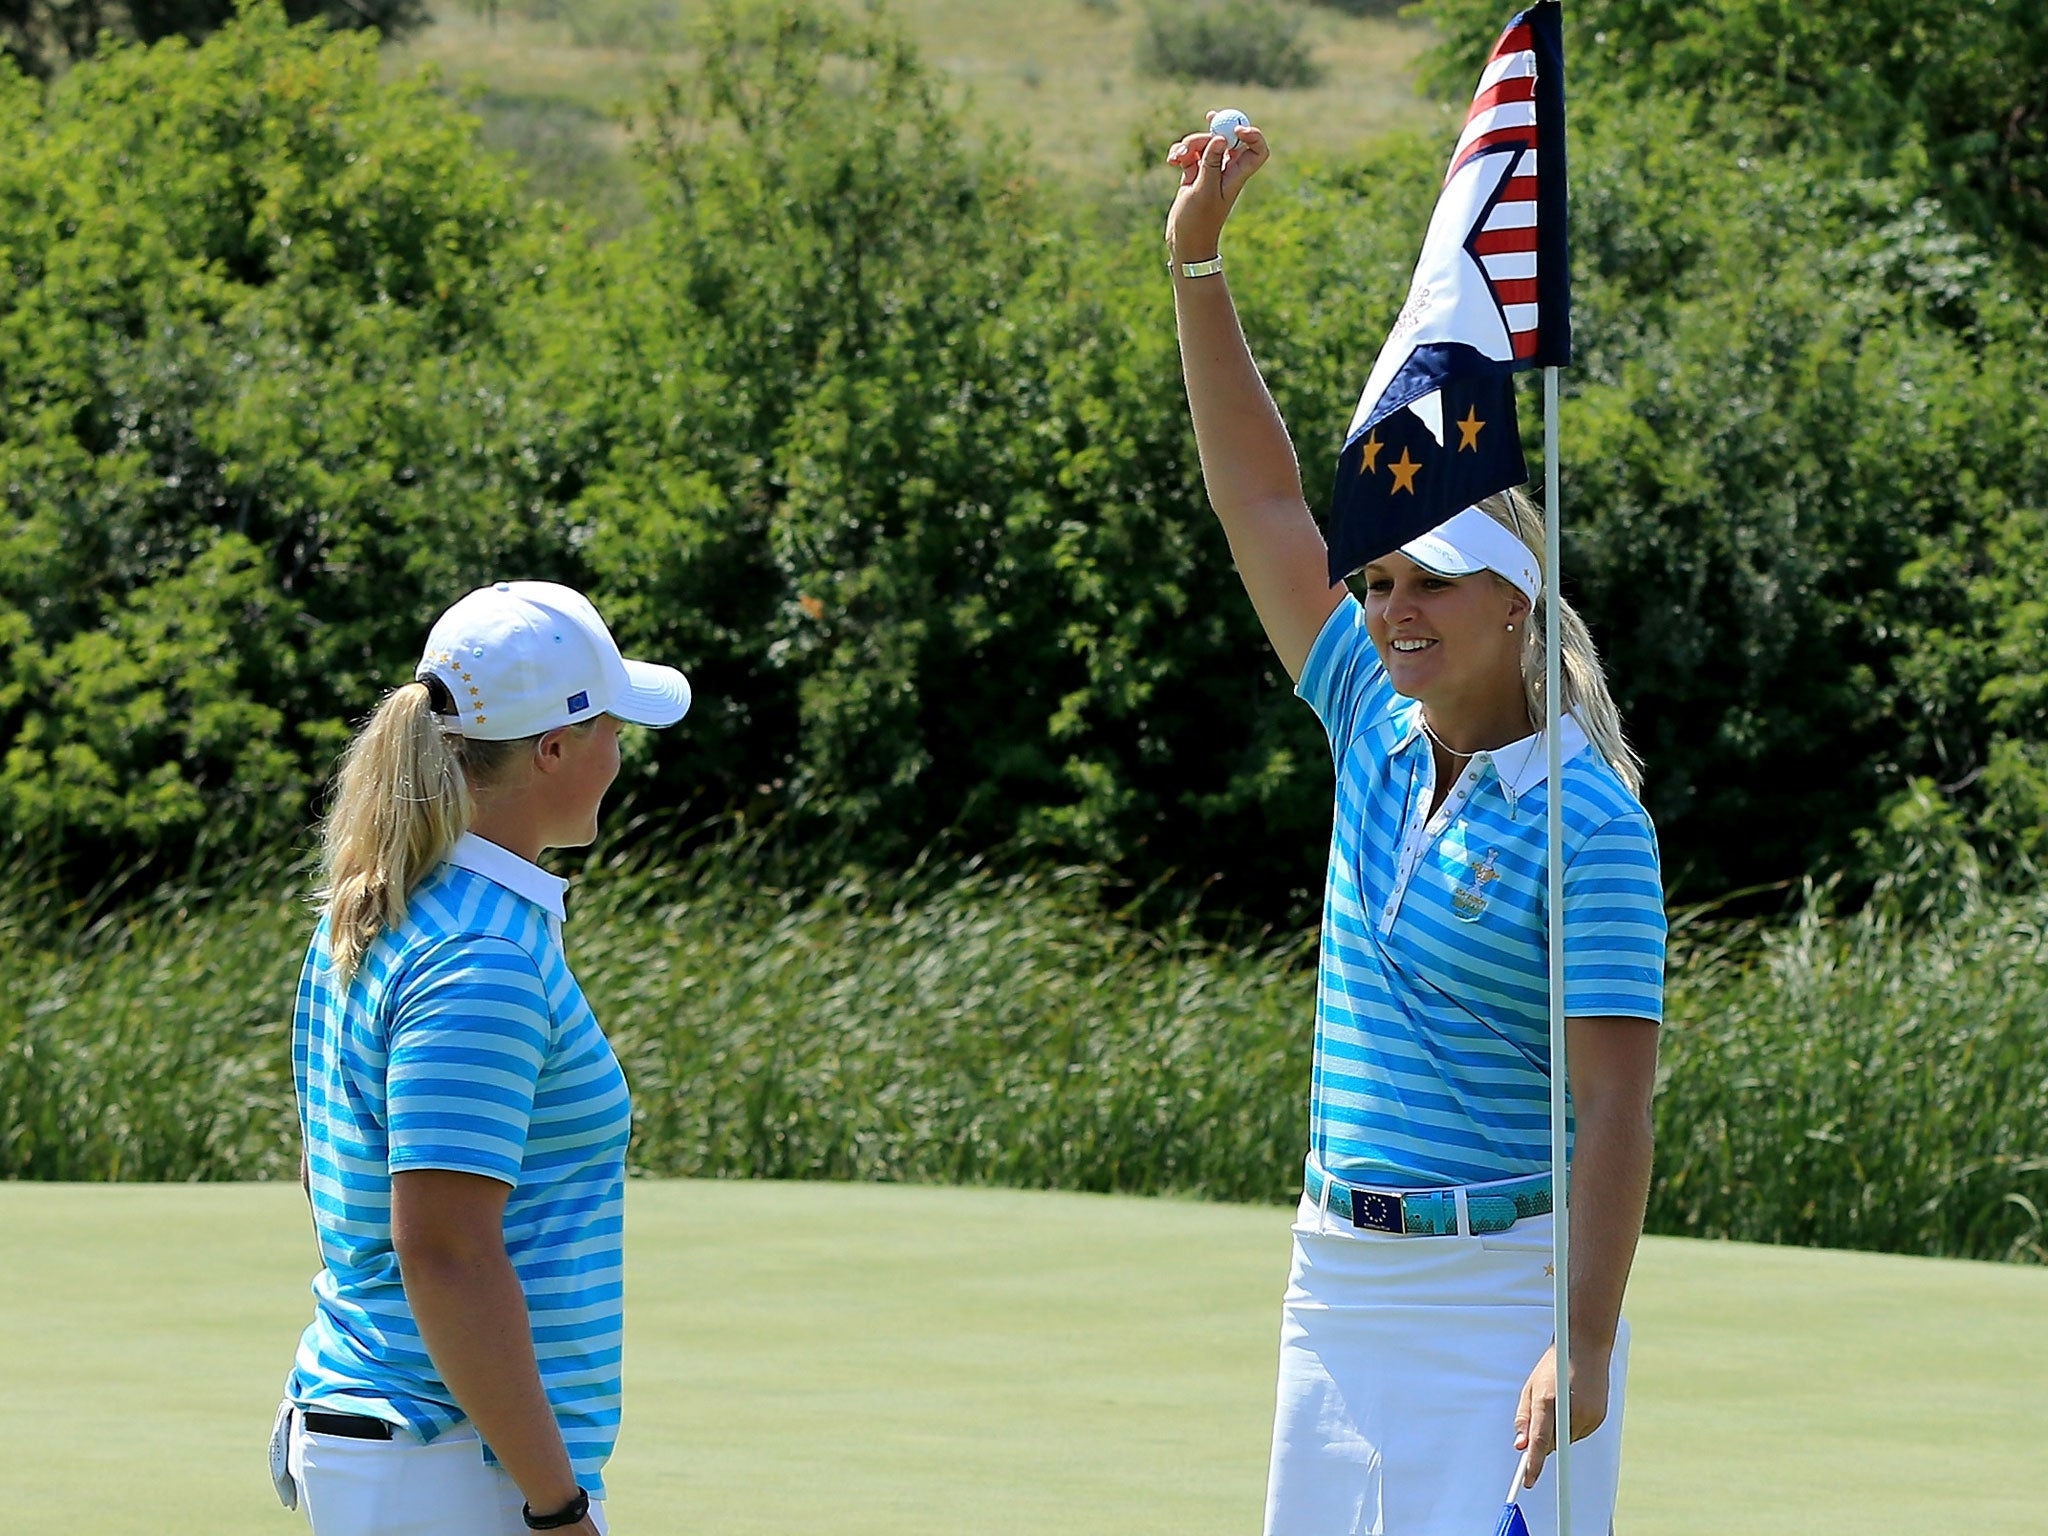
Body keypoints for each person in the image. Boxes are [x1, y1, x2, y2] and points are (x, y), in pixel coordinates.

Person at [1164, 117, 1666, 1536]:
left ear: (1513, 595)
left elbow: (1617, 1104)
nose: (1390, 612)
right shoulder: (1367, 723)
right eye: (1375, 581)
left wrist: (1583, 1338)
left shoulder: (1592, 823)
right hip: (1338, 1278)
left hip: (1505, 1288)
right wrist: (1196, 266)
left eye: (1428, 583)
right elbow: (1257, 493)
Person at [274, 581, 692, 1536]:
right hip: (452, 1457)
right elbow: (445, 1249)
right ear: (552, 749)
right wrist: (555, 1507)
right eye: (611, 732)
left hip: (420, 1442)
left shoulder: (396, 905)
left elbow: (329, 1175)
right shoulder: (479, 957)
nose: (619, 757)